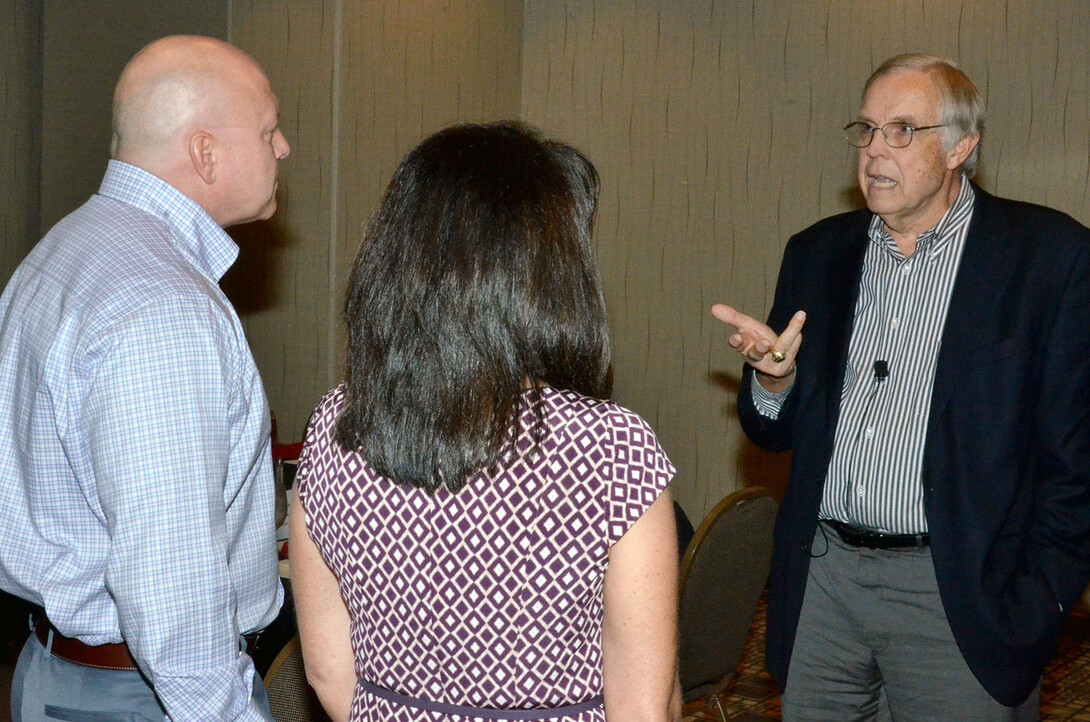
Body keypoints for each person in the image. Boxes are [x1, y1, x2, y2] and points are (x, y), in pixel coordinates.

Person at [712, 53, 1090, 720]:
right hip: (825, 582)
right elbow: (769, 426)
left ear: (961, 146)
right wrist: (776, 381)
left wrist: (1040, 605)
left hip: (961, 593)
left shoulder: (1050, 260)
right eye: (866, 130)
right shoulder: (817, 253)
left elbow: (1076, 463)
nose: (874, 151)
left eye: (901, 131)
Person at [290, 121, 681, 721]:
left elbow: (326, 669)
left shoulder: (337, 425)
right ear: (546, 276)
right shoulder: (609, 447)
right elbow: (643, 707)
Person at [0, 35, 290, 720]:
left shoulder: (66, 250)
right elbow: (172, 596)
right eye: (269, 130)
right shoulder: (163, 308)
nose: (282, 150)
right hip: (146, 698)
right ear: (205, 152)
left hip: (56, 673)